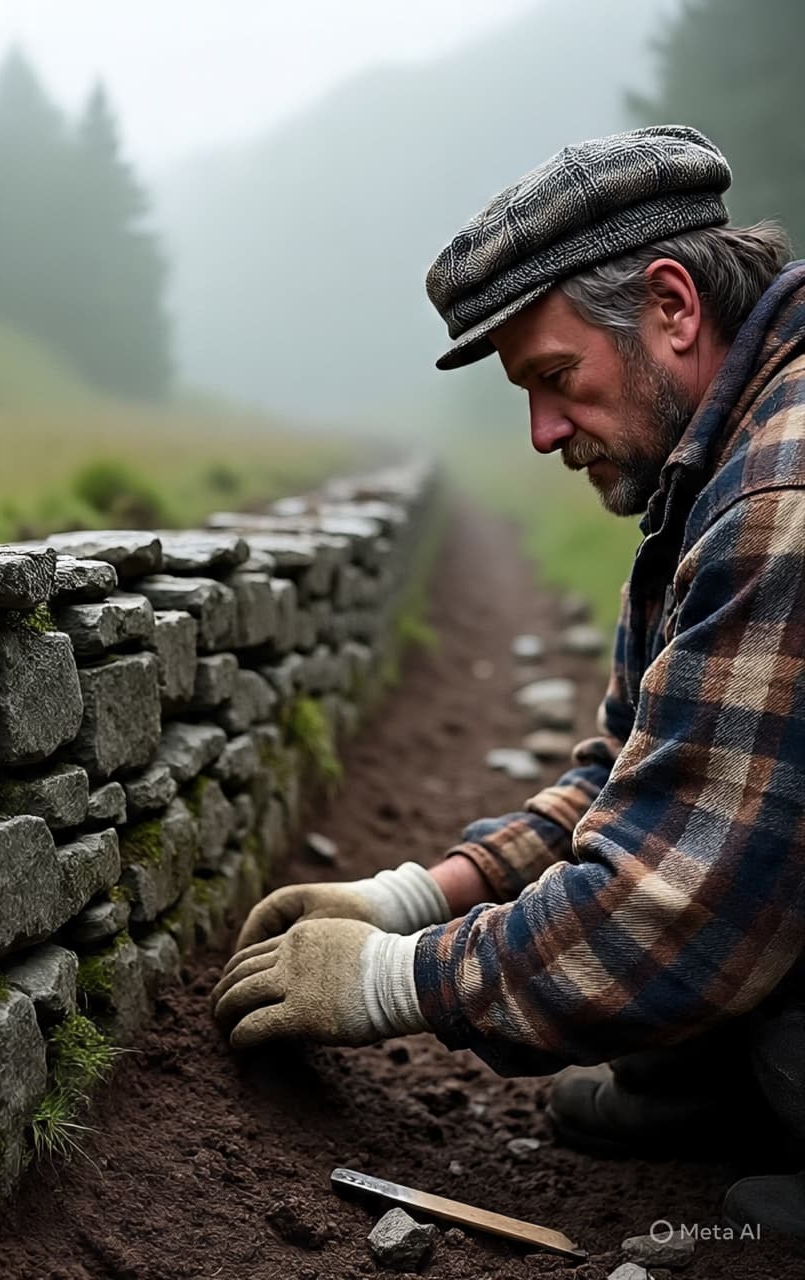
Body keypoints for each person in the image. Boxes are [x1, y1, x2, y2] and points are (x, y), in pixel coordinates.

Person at [211, 125, 805, 1236]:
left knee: (736, 975)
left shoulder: (779, 497)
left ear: (670, 306)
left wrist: (392, 981)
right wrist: (411, 896)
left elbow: (667, 910)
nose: (538, 433)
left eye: (552, 377)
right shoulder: (721, 460)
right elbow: (639, 781)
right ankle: (719, 1088)